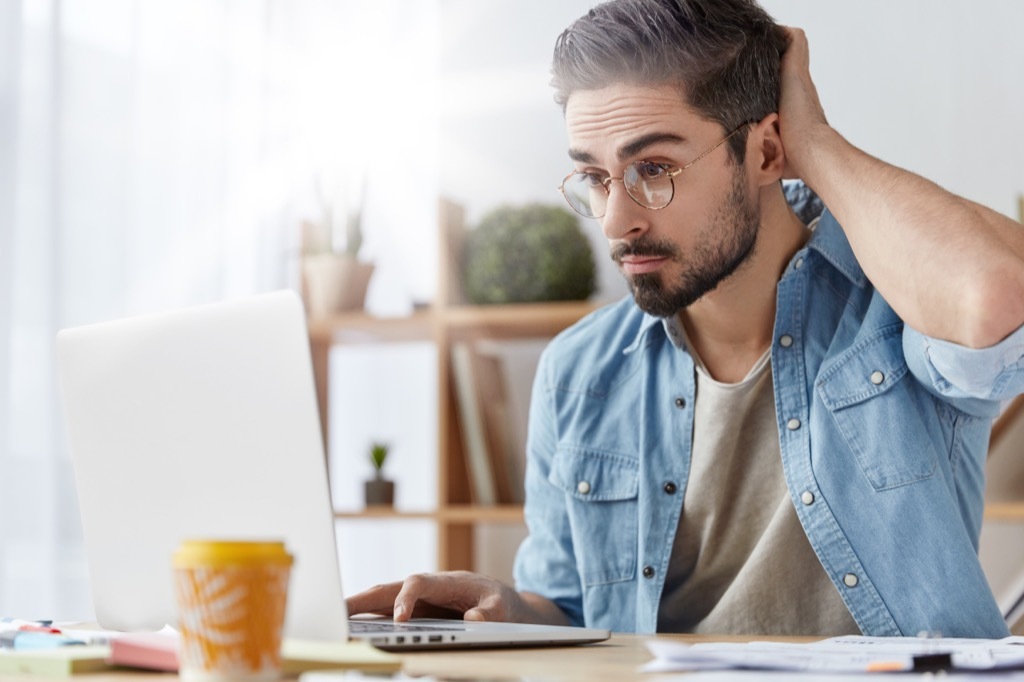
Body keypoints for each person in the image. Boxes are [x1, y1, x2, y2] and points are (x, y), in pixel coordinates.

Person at [347, 0, 1024, 637]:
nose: (617, 221)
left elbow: (999, 297)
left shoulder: (898, 311)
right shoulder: (578, 373)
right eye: (594, 177)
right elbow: (573, 610)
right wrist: (507, 607)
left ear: (763, 153)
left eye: (655, 168)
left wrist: (814, 143)